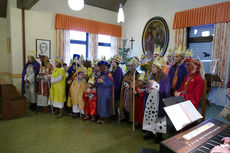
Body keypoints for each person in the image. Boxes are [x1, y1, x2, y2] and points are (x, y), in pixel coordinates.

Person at [143, 55, 170, 143]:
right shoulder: (152, 75)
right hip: (151, 100)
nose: (152, 69)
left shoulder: (164, 77)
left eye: (154, 67)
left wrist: (155, 84)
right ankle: (150, 132)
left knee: (159, 118)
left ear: (159, 68)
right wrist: (148, 87)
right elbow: (148, 87)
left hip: (159, 101)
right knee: (150, 116)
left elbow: (165, 91)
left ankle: (159, 135)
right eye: (152, 67)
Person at [120, 57, 139, 123]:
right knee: (124, 104)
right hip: (125, 91)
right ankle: (125, 116)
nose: (129, 67)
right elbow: (123, 80)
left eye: (131, 66)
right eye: (129, 66)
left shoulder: (136, 75)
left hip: (131, 93)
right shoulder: (126, 74)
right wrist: (125, 82)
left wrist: (130, 85)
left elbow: (136, 83)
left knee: (129, 105)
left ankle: (130, 118)